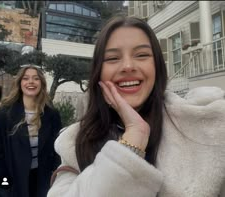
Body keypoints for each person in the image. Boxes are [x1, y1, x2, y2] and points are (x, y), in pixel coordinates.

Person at [47, 16, 225, 197]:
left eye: (141, 55)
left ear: (156, 65)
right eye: (113, 57)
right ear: (98, 72)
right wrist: (132, 142)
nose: (128, 66)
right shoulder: (75, 143)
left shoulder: (208, 127)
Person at [0, 64, 62, 197]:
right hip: (13, 183)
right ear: (20, 83)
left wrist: (54, 177)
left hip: (42, 183)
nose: (31, 82)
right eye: (26, 78)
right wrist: (3, 186)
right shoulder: (3, 114)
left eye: (36, 78)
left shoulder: (52, 115)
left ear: (42, 83)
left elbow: (57, 151)